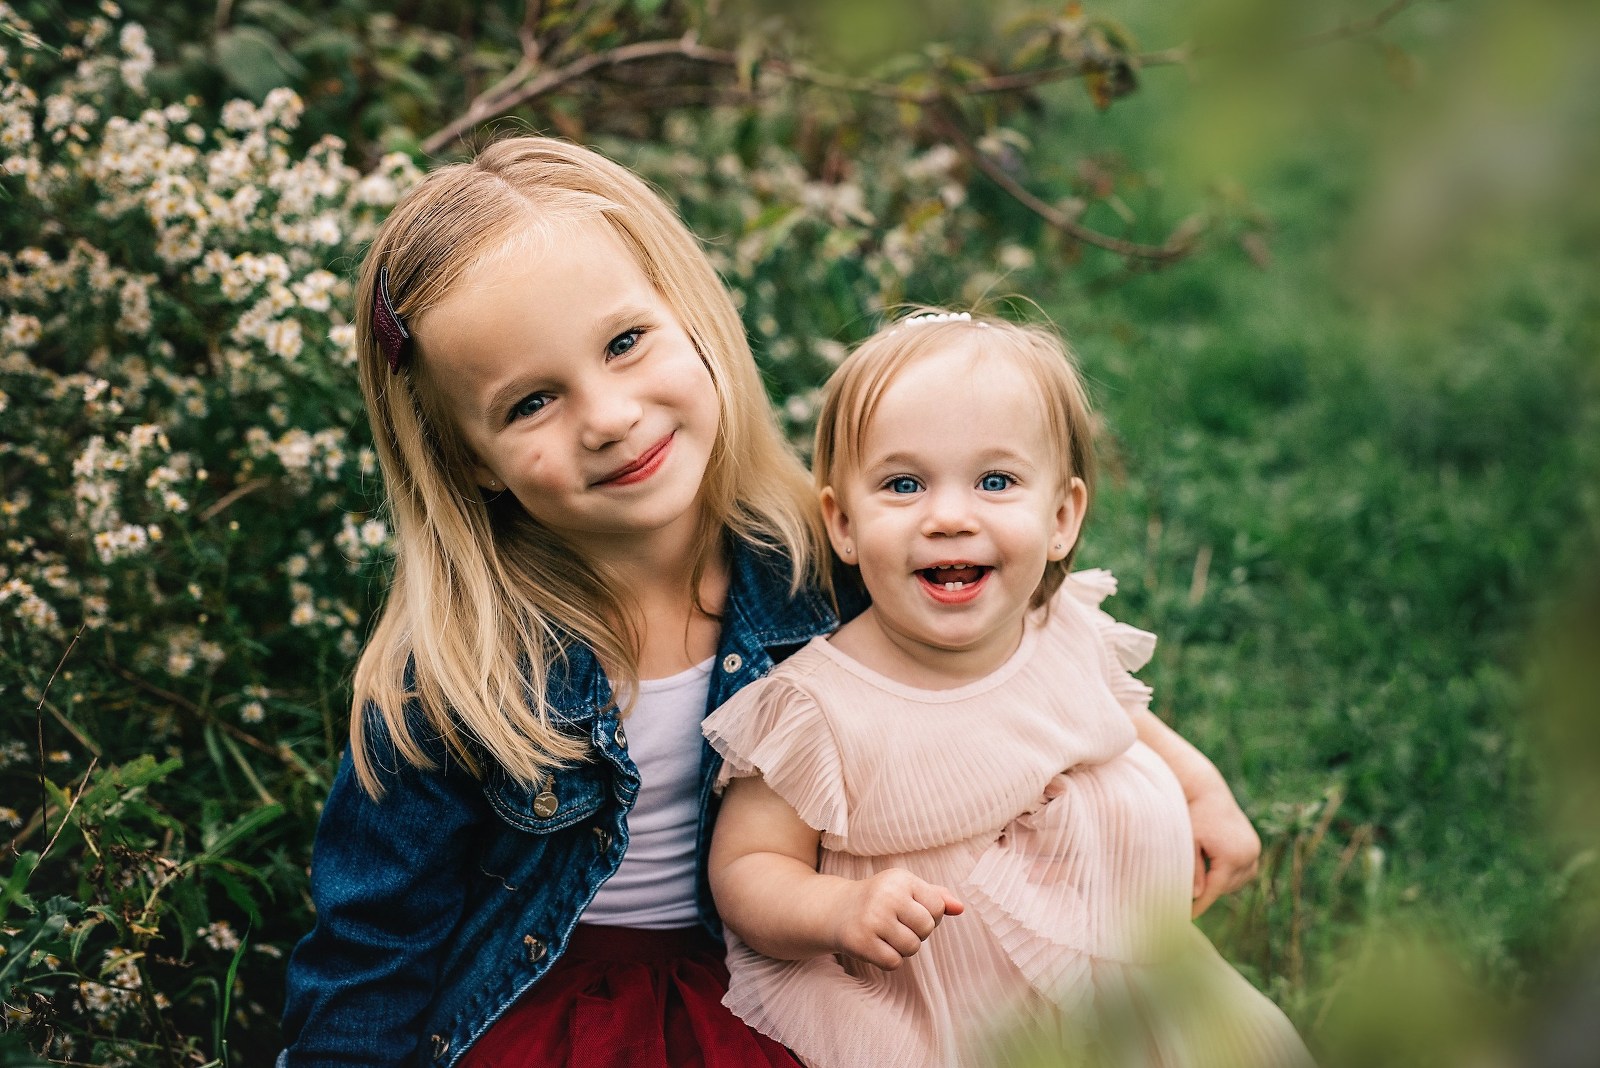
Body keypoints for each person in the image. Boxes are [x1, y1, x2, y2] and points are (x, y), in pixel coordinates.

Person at [278, 136, 853, 1067]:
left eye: (626, 343)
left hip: (778, 981)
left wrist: (1165, 761)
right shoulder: (457, 678)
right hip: (553, 1017)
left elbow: (998, 652)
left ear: (692, 315)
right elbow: (373, 952)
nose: (610, 416)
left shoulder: (821, 570)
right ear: (471, 459)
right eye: (531, 403)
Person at [703, 310, 1313, 1067]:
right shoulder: (816, 708)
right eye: (903, 484)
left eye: (995, 481)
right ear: (843, 523)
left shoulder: (1060, 628)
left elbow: (1120, 717)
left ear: (1061, 518)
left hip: (1123, 984)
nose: (951, 517)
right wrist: (840, 909)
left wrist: (1203, 791)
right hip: (949, 1022)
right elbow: (747, 869)